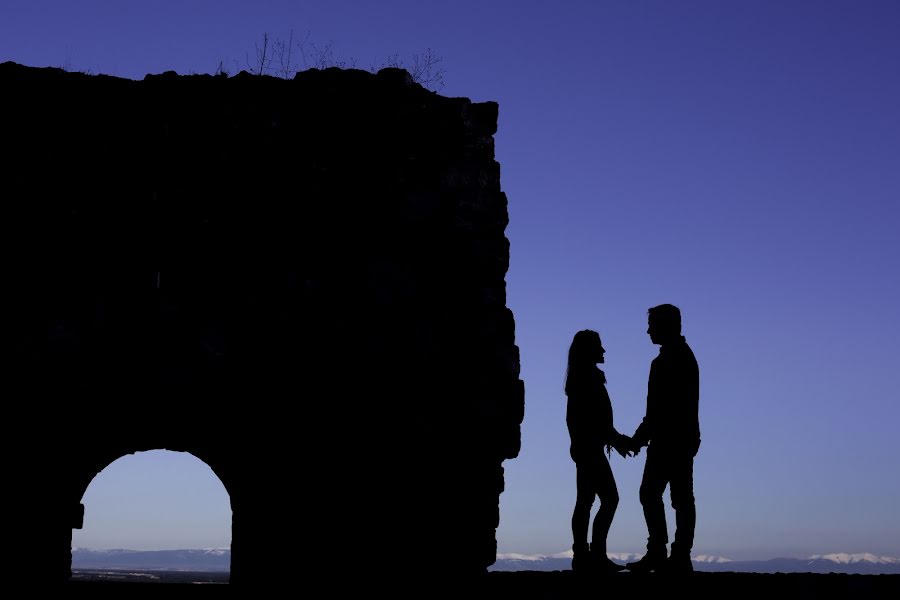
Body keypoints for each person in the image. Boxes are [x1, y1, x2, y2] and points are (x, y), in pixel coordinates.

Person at [626, 304, 700, 573]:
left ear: (665, 326)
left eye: (652, 325)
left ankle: (669, 553)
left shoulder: (670, 361)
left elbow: (659, 409)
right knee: (675, 497)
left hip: (672, 440)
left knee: (663, 495)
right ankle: (674, 554)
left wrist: (637, 440)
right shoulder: (678, 357)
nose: (648, 331)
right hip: (678, 439)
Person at [565, 329, 632, 573]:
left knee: (585, 501)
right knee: (607, 499)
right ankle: (594, 555)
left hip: (586, 447)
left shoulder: (582, 378)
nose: (603, 351)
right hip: (589, 449)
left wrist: (616, 440)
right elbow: (596, 422)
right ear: (589, 350)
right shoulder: (587, 379)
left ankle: (583, 555)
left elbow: (592, 421)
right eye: (599, 347)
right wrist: (619, 441)